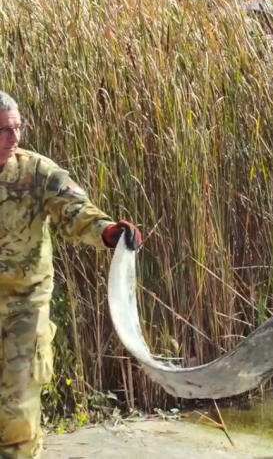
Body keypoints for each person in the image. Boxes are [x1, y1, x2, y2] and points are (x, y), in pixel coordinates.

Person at [0, 90, 142, 458]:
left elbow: (77, 211)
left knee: (18, 401)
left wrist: (109, 232)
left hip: (24, 304)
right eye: (3, 130)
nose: (13, 139)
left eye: (17, 128)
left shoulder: (36, 173)